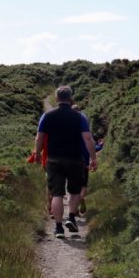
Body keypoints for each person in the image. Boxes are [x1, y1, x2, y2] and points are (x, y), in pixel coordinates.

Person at [33, 86, 98, 238]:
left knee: (57, 194)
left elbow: (39, 137)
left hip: (54, 159)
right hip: (75, 159)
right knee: (75, 191)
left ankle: (59, 228)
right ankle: (72, 217)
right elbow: (88, 139)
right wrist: (93, 158)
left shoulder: (47, 116)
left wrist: (37, 153)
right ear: (70, 98)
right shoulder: (79, 117)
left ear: (56, 99)